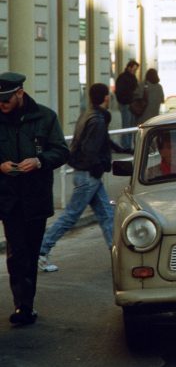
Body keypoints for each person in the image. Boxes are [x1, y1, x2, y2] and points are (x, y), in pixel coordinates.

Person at [0, 72, 69, 326]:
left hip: (36, 198)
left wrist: (39, 161)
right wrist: (1, 165)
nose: (2, 105)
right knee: (16, 253)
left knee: (29, 253)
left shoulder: (45, 117)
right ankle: (22, 307)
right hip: (9, 199)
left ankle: (27, 302)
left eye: (6, 99)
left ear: (20, 93)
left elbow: (62, 151)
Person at [39, 83, 125, 273]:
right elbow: (90, 148)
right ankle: (41, 251)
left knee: (106, 215)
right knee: (71, 216)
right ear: (106, 98)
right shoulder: (97, 119)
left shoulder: (89, 115)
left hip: (88, 175)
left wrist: (123, 150)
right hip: (88, 175)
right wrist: (97, 167)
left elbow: (101, 141)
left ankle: (119, 257)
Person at [114, 59, 140, 150]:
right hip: (126, 104)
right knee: (127, 125)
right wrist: (126, 99)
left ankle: (128, 144)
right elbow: (120, 92)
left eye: (136, 69)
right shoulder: (123, 78)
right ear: (129, 67)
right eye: (134, 69)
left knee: (131, 125)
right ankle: (126, 145)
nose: (135, 71)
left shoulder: (132, 77)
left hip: (131, 104)